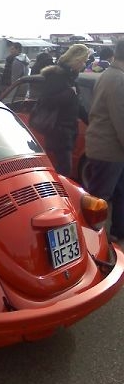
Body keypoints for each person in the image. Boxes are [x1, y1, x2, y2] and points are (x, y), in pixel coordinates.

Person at [85, 39, 124, 241]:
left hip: (106, 148)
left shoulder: (108, 75)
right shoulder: (118, 79)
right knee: (100, 199)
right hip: (108, 149)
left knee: (116, 194)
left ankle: (115, 233)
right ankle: (95, 241)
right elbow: (121, 119)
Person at [37, 43, 89, 176]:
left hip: (67, 131)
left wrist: (91, 121)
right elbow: (46, 102)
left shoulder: (70, 78)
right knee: (64, 171)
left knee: (63, 170)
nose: (84, 65)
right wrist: (69, 93)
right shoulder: (56, 76)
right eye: (83, 61)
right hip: (58, 131)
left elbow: (78, 106)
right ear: (76, 60)